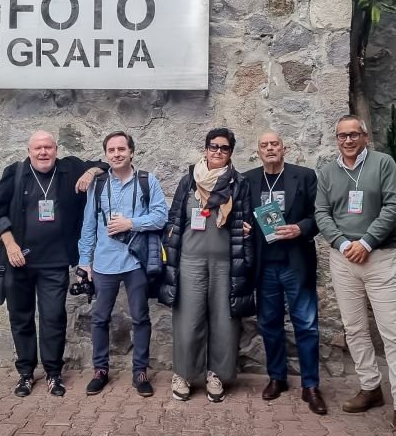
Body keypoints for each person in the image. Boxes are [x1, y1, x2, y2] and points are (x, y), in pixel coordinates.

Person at [314, 115, 396, 436]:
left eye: (354, 135)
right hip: (342, 258)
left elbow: (394, 205)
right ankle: (370, 388)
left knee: (393, 332)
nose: (348, 141)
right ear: (336, 139)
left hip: (380, 257)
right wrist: (341, 242)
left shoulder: (383, 163)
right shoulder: (327, 172)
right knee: (355, 329)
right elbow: (321, 212)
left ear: (365, 136)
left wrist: (366, 241)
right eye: (342, 136)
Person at [0, 130, 106, 398]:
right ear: (29, 150)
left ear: (56, 149)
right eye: (38, 148)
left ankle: (54, 374)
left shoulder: (70, 168)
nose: (43, 152)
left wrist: (89, 174)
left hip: (54, 262)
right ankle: (26, 374)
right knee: (21, 317)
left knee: (53, 317)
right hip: (18, 260)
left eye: (48, 147)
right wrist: (10, 245)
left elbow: (104, 165)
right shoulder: (15, 173)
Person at [159, 127, 254, 403]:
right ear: (205, 149)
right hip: (190, 261)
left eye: (224, 148)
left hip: (225, 263)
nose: (218, 152)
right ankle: (184, 374)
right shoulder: (188, 181)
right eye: (213, 147)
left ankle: (216, 375)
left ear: (231, 153)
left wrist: (247, 231)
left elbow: (246, 220)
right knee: (188, 321)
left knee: (225, 322)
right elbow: (174, 218)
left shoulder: (239, 183)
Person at [77, 131, 168, 398]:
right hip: (104, 262)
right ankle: (100, 370)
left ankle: (140, 371)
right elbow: (89, 225)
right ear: (106, 155)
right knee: (100, 318)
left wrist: (132, 223)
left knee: (140, 317)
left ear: (131, 151)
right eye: (111, 150)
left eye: (122, 149)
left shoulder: (146, 181)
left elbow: (161, 216)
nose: (117, 154)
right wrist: (85, 261)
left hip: (135, 261)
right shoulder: (99, 184)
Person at [242, 131, 326, 415]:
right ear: (258, 151)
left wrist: (299, 228)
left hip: (295, 263)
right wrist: (242, 227)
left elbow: (319, 215)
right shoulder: (249, 179)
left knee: (306, 325)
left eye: (274, 144)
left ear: (284, 148)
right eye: (264, 145)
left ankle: (311, 385)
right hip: (264, 265)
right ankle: (277, 377)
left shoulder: (304, 176)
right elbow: (239, 215)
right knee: (269, 325)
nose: (270, 148)